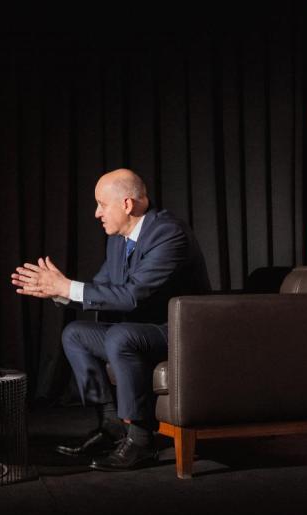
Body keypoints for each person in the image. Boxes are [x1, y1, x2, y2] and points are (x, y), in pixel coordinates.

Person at [11, 168, 210, 471]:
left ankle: (141, 440)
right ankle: (111, 424)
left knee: (120, 335)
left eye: (102, 204)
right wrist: (57, 291)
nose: (96, 213)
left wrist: (67, 287)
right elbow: (103, 288)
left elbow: (132, 295)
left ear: (127, 204)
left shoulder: (168, 233)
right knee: (75, 334)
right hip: (141, 330)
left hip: (178, 331)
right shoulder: (118, 239)